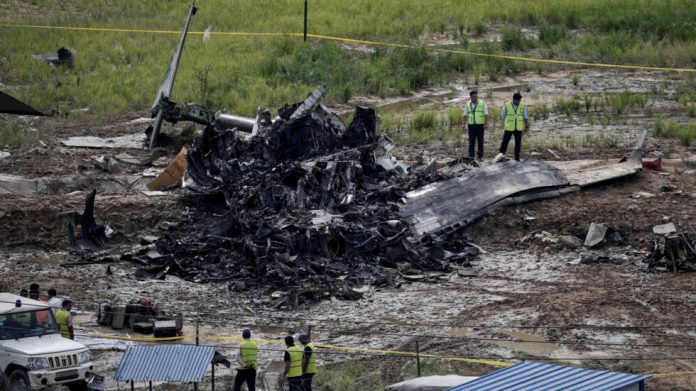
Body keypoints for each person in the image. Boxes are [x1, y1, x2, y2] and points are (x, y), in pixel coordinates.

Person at [497, 92, 530, 162]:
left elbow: (525, 116)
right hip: (509, 128)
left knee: (518, 144)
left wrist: (527, 126)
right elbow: (502, 116)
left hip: (518, 128)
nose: (519, 102)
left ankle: (517, 159)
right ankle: (500, 156)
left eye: (520, 100)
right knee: (505, 142)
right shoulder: (507, 105)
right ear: (514, 99)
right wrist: (502, 125)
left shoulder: (522, 105)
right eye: (518, 100)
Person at [463, 90, 490, 162]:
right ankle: (471, 157)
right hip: (471, 125)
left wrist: (486, 123)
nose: (476, 98)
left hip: (480, 125)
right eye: (474, 97)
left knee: (480, 141)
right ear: (471, 97)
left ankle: (480, 156)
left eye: (476, 96)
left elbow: (486, 114)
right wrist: (463, 124)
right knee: (471, 141)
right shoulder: (467, 104)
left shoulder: (482, 103)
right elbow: (465, 115)